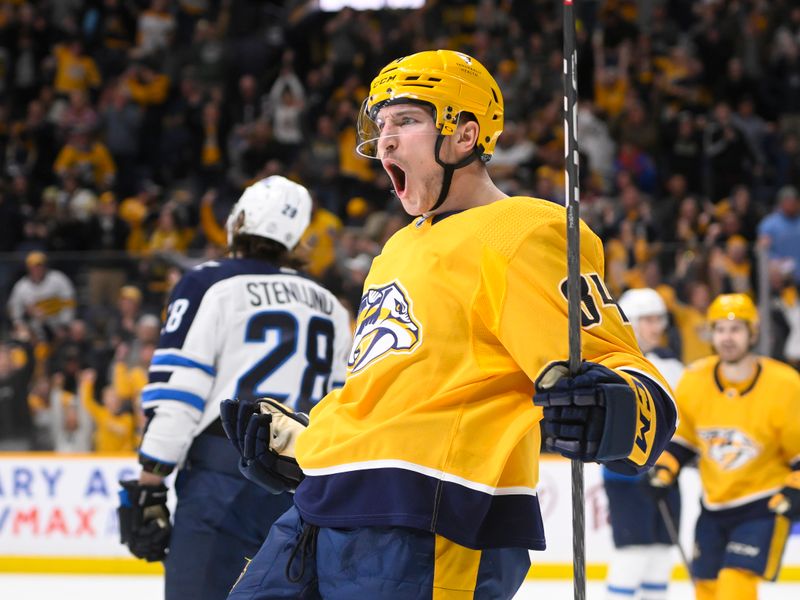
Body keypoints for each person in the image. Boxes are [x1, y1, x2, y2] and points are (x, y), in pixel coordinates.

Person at [222, 49, 677, 600]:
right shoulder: (396, 247)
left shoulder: (523, 231)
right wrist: (309, 445)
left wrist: (622, 406)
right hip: (319, 509)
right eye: (381, 124)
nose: (385, 140)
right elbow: (393, 393)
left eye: (407, 121)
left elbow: (617, 363)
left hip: (431, 515)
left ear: (464, 136)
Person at [116, 176, 352, 600]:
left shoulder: (207, 282)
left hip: (223, 473)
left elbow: (179, 392)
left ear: (238, 221)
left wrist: (151, 477)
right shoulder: (331, 306)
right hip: (303, 478)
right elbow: (341, 406)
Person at [647, 293, 800, 600]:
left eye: (736, 329)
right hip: (714, 506)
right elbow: (684, 442)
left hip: (763, 505)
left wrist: (794, 489)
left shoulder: (785, 385)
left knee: (734, 587)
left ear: (752, 333)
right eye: (720, 329)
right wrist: (665, 470)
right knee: (707, 589)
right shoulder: (695, 379)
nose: (727, 338)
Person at [604, 288, 685, 600]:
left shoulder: (672, 364)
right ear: (630, 322)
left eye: (658, 319)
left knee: (661, 556)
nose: (656, 327)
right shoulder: (614, 364)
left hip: (667, 475)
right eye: (648, 319)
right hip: (627, 476)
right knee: (633, 555)